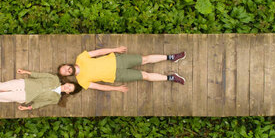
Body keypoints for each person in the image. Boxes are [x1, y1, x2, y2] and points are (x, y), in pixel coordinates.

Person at [57, 46, 186, 92]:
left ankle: (172, 57)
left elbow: (98, 52)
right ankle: (171, 77)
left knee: (145, 59)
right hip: (117, 75)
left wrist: (115, 49)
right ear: (68, 76)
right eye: (65, 73)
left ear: (67, 65)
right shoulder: (81, 81)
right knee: (145, 76)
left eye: (65, 68)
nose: (67, 70)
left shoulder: (80, 58)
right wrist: (116, 88)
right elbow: (100, 87)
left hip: (117, 60)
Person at [0, 69, 81, 110]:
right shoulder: (54, 78)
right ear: (68, 82)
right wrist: (26, 72)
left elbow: (40, 104)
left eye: (70, 89)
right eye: (69, 84)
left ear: (68, 92)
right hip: (25, 84)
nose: (68, 87)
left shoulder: (55, 99)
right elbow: (40, 75)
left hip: (25, 97)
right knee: (1, 86)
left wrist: (28, 107)